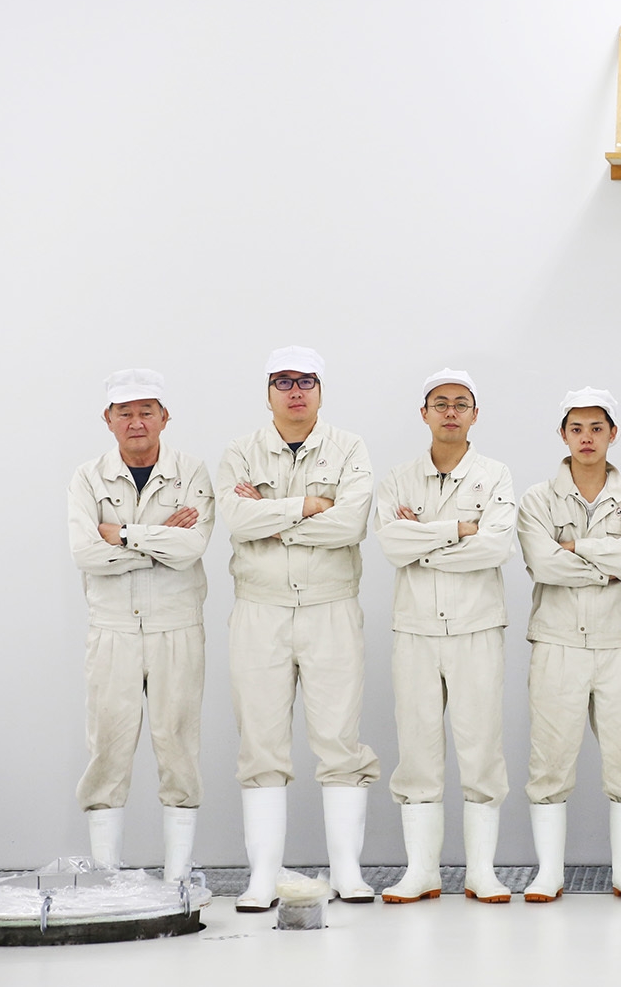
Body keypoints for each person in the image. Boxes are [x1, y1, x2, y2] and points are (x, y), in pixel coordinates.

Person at [216, 346, 380, 911]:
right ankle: (262, 878)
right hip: (259, 609)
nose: (294, 391)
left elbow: (350, 524)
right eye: (283, 382)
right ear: (268, 392)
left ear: (320, 390)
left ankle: (348, 872)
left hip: (331, 606)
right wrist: (310, 505)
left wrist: (272, 517)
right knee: (260, 740)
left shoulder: (349, 447)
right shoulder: (240, 451)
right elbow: (235, 519)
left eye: (305, 381)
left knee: (340, 740)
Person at [375, 368, 517, 903]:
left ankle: (482, 871)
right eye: (441, 403)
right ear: (424, 413)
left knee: (481, 746)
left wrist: (423, 540)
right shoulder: (399, 478)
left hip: (477, 626)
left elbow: (496, 547)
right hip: (415, 628)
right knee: (416, 748)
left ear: (475, 414)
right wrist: (458, 529)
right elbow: (392, 545)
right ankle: (422, 871)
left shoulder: (495, 475)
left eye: (461, 403)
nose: (451, 412)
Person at [67, 369, 213, 882]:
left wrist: (122, 535)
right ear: (107, 420)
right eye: (125, 413)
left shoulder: (191, 471)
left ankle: (178, 876)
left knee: (179, 745)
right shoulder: (88, 477)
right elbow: (86, 552)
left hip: (178, 625)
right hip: (112, 629)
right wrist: (155, 540)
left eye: (146, 411)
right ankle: (107, 876)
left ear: (164, 417)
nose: (136, 422)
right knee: (107, 747)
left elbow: (191, 547)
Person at [516, 387, 621, 902]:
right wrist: (610, 561)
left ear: (612, 434)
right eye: (576, 429)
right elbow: (543, 564)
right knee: (549, 761)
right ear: (563, 434)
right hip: (557, 641)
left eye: (596, 428)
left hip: (619, 643)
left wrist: (575, 547)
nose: (586, 438)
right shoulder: (537, 500)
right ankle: (548, 873)